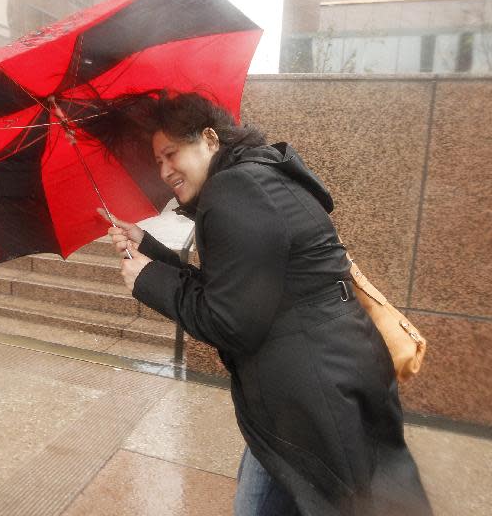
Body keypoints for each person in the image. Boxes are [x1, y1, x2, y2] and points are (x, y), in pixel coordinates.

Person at [99, 92, 432, 516]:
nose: (164, 171)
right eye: (158, 162)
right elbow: (239, 293)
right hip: (319, 382)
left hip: (309, 396)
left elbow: (230, 322)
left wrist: (148, 280)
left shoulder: (235, 190)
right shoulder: (257, 177)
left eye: (171, 154)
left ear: (209, 138)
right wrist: (150, 249)